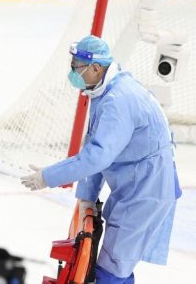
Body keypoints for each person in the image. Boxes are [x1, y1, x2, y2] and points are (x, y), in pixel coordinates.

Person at [20, 35, 181, 284]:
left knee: (111, 269)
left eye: (76, 67)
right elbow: (96, 143)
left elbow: (97, 157)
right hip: (136, 185)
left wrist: (47, 177)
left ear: (95, 68)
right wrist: (88, 196)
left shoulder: (118, 102)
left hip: (146, 191)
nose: (72, 73)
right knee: (117, 263)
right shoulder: (106, 89)